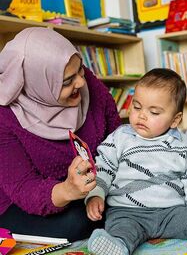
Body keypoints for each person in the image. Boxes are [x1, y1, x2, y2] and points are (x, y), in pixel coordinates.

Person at [85, 68, 187, 255]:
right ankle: (119, 246)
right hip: (127, 211)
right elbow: (103, 167)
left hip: (171, 212)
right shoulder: (120, 137)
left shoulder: (184, 146)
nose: (142, 115)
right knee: (122, 229)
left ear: (175, 120)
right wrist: (96, 194)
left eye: (154, 112)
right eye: (137, 107)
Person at [0, 27, 121, 241]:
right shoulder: (4, 117)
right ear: (36, 83)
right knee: (81, 222)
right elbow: (22, 187)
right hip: (22, 201)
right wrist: (67, 190)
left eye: (81, 71)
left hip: (93, 186)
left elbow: (116, 135)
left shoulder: (85, 81)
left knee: (135, 203)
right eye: (67, 82)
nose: (81, 83)